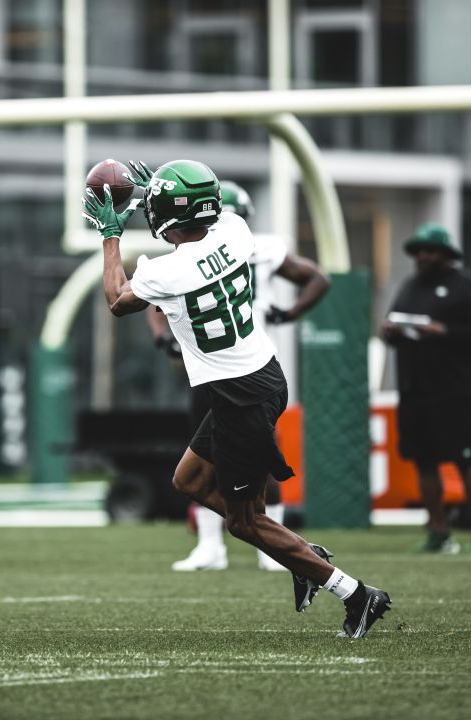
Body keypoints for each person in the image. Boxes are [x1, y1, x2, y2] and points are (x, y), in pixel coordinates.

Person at [85, 159, 391, 638]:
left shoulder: (168, 272)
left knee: (244, 523)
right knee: (188, 480)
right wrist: (156, 192)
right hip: (260, 377)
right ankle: (305, 558)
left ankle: (355, 594)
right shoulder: (236, 230)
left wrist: (109, 233)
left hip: (240, 395)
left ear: (166, 215)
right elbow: (199, 217)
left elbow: (117, 299)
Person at [151, 179, 331, 572]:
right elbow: (150, 297)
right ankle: (213, 545)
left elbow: (318, 278)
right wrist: (163, 336)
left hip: (250, 366)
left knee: (262, 456)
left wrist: (287, 315)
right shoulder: (200, 250)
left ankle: (277, 546)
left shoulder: (252, 244)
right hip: (211, 367)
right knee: (202, 465)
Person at [380, 223, 471, 555]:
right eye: (419, 251)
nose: (423, 257)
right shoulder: (410, 286)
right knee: (424, 460)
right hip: (415, 387)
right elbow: (391, 324)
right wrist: (391, 330)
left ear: (446, 255)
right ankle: (438, 531)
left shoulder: (466, 285)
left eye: (429, 251)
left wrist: (442, 330)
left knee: (466, 460)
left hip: (454, 388)